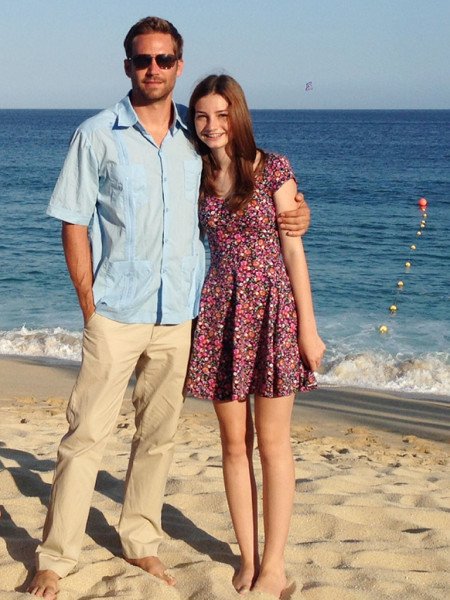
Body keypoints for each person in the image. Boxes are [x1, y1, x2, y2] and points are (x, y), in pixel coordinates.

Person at [27, 17, 311, 600]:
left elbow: (254, 194)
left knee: (157, 439)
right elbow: (73, 221)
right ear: (127, 65)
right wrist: (89, 305)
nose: (152, 69)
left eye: (163, 59)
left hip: (182, 316)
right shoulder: (96, 134)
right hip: (116, 312)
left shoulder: (196, 139)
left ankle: (140, 540)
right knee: (85, 437)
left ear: (179, 65)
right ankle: (55, 559)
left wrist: (299, 214)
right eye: (142, 59)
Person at [184, 75, 326, 598]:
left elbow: (293, 251)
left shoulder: (274, 169)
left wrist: (308, 329)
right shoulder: (194, 173)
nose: (212, 125)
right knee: (232, 444)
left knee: (273, 445)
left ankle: (274, 565)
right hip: (219, 314)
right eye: (202, 116)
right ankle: (247, 557)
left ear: (238, 115)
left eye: (222, 115)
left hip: (272, 313)